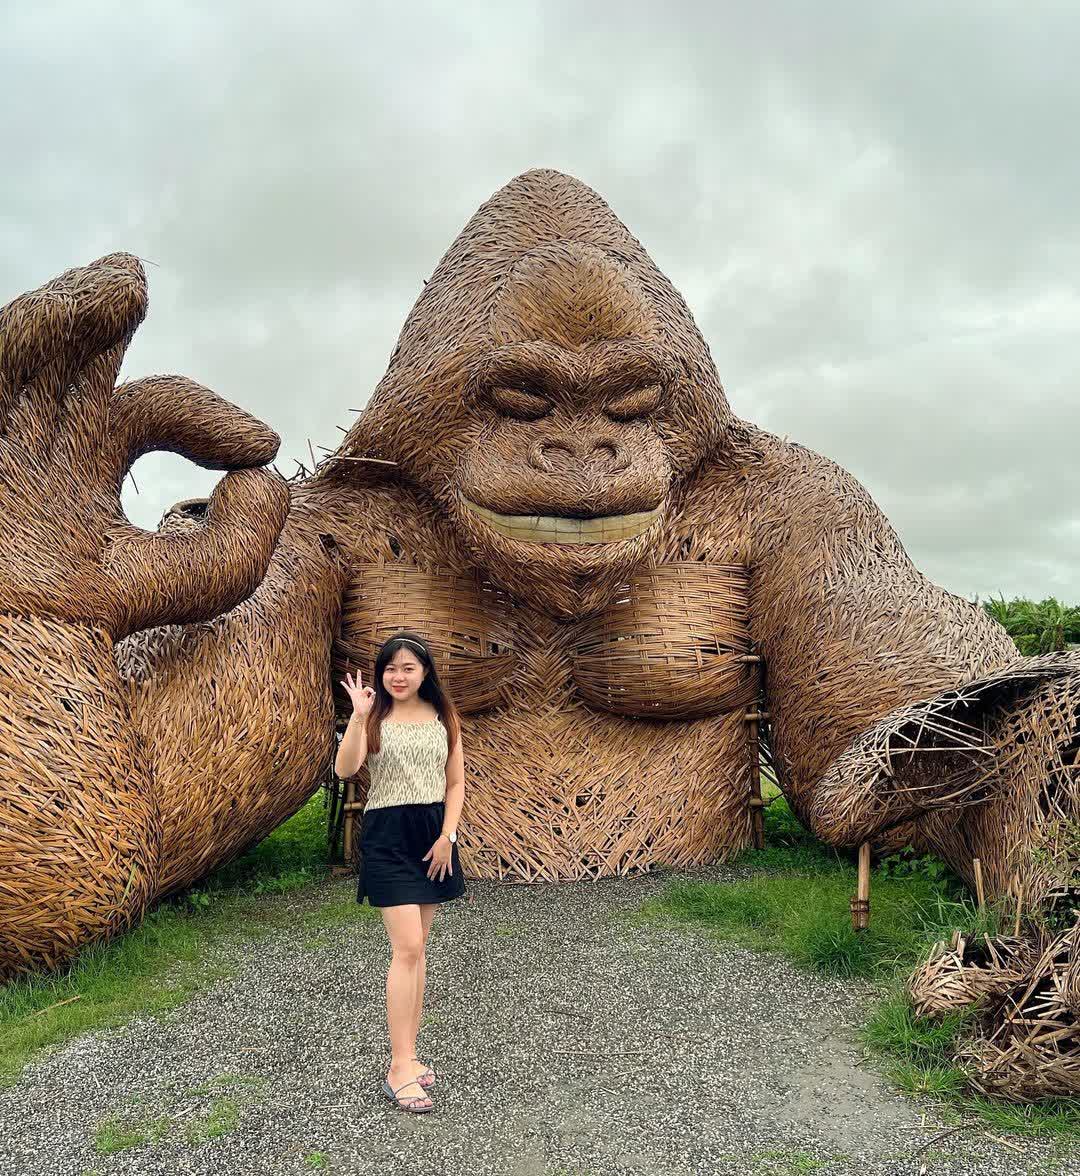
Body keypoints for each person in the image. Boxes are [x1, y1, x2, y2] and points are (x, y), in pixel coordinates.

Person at [336, 631, 466, 1113]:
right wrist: (358, 716)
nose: (399, 676)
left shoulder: (444, 716)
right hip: (387, 835)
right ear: (381, 673)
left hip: (432, 836)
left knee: (419, 949)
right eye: (391, 668)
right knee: (407, 947)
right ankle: (398, 1067)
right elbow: (346, 768)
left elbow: (455, 783)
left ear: (425, 672)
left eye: (408, 668)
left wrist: (448, 837)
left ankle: (409, 1057)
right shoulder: (374, 717)